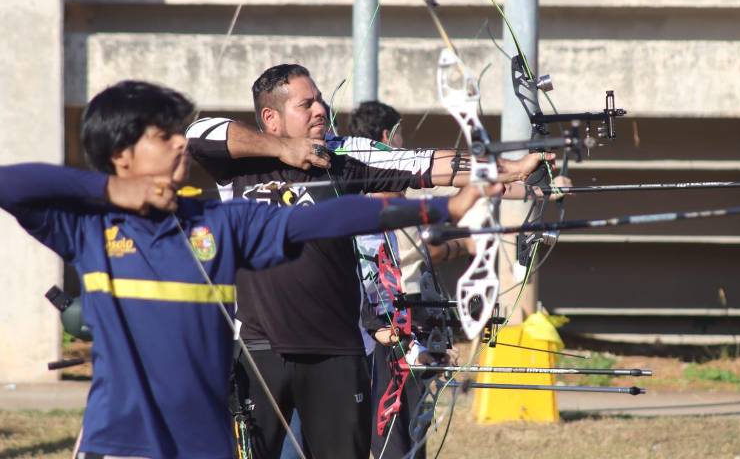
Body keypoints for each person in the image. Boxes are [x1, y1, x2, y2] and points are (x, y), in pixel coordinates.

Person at [0, 80, 491, 459]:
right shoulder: (89, 227)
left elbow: (323, 218)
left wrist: (441, 208)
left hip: (204, 445)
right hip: (119, 440)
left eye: (179, 134)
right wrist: (110, 192)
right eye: (163, 136)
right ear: (121, 154)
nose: (180, 145)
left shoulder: (219, 223)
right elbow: (10, 184)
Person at [185, 64, 552, 459]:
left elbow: (425, 163)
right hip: (259, 348)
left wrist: (510, 168)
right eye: (305, 104)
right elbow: (197, 133)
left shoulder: (342, 155)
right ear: (270, 118)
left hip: (336, 352)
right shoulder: (236, 166)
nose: (320, 110)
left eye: (320, 100)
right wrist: (283, 149)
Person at [347, 100, 573, 458]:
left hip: (400, 334)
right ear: (388, 138)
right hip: (391, 336)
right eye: (402, 137)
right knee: (394, 441)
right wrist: (468, 240)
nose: (406, 146)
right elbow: (431, 240)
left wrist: (537, 187)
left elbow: (467, 193)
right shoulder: (382, 208)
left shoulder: (368, 200)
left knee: (407, 437)